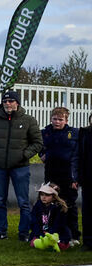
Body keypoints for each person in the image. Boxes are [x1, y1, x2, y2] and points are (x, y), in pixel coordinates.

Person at [0, 89, 43, 241]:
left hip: (20, 167)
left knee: (23, 201)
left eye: (10, 101)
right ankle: (1, 231)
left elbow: (37, 143)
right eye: (5, 101)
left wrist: (24, 155)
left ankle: (24, 233)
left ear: (17, 102)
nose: (7, 104)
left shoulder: (29, 120)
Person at [39, 107, 80, 246]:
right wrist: (41, 154)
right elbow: (37, 145)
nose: (57, 122)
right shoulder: (45, 133)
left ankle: (74, 235)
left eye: (60, 119)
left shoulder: (74, 133)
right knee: (52, 204)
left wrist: (75, 178)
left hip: (68, 175)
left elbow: (77, 156)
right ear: (51, 119)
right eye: (55, 119)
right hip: (51, 174)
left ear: (66, 120)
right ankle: (54, 233)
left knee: (69, 205)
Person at [28, 182, 71, 251]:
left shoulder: (58, 208)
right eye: (42, 194)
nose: (43, 197)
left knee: (62, 245)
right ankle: (46, 244)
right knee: (33, 243)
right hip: (41, 233)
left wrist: (50, 234)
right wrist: (40, 233)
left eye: (47, 195)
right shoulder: (38, 206)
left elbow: (59, 225)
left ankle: (53, 244)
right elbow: (34, 222)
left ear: (54, 197)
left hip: (56, 234)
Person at [79, 114, 92, 251]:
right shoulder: (84, 133)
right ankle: (88, 242)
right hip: (88, 178)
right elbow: (79, 155)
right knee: (87, 211)